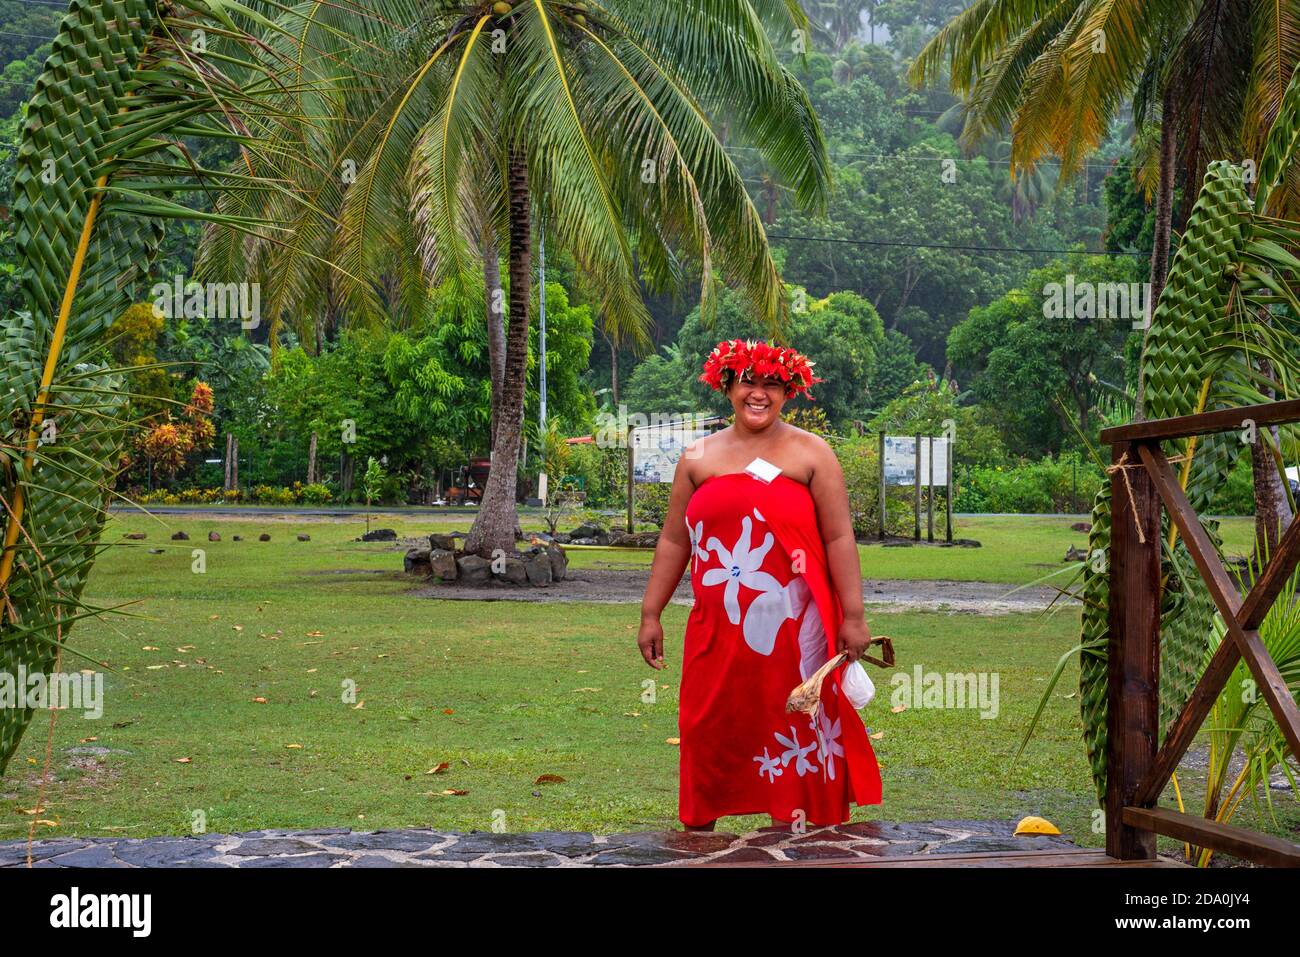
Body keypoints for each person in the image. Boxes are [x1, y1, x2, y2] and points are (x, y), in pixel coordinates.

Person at [637, 338, 882, 831]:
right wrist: (650, 613)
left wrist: (854, 617)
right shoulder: (698, 456)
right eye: (749, 382)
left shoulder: (812, 453)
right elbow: (673, 540)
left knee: (792, 721)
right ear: (726, 386)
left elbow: (838, 537)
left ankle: (800, 829)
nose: (760, 394)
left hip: (795, 635)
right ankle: (702, 831)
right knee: (706, 724)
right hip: (716, 630)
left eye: (773, 384)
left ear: (789, 391)